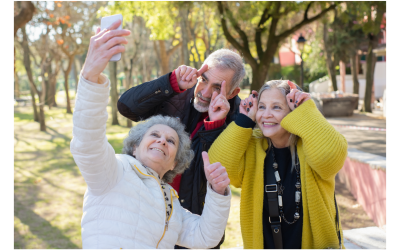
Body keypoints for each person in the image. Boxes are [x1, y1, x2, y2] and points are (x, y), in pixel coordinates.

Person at [71, 19, 232, 249]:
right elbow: (87, 143)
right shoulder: (114, 172)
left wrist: (218, 192)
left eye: (171, 141)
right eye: (154, 134)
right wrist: (90, 77)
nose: (161, 141)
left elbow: (206, 237)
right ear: (135, 146)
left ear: (176, 162)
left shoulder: (172, 204)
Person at [118, 47, 245, 248]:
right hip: (146, 213)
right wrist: (170, 82)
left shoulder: (239, 121)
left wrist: (215, 126)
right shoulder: (176, 92)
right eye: (203, 79)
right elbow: (126, 106)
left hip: (192, 226)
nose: (204, 92)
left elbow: (211, 173)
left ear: (233, 92)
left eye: (216, 87)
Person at [208, 80, 348, 249]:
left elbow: (330, 158)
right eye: (262, 107)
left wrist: (306, 111)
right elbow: (219, 167)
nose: (266, 115)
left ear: (293, 112)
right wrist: (244, 120)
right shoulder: (252, 145)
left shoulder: (311, 144)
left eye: (276, 107)